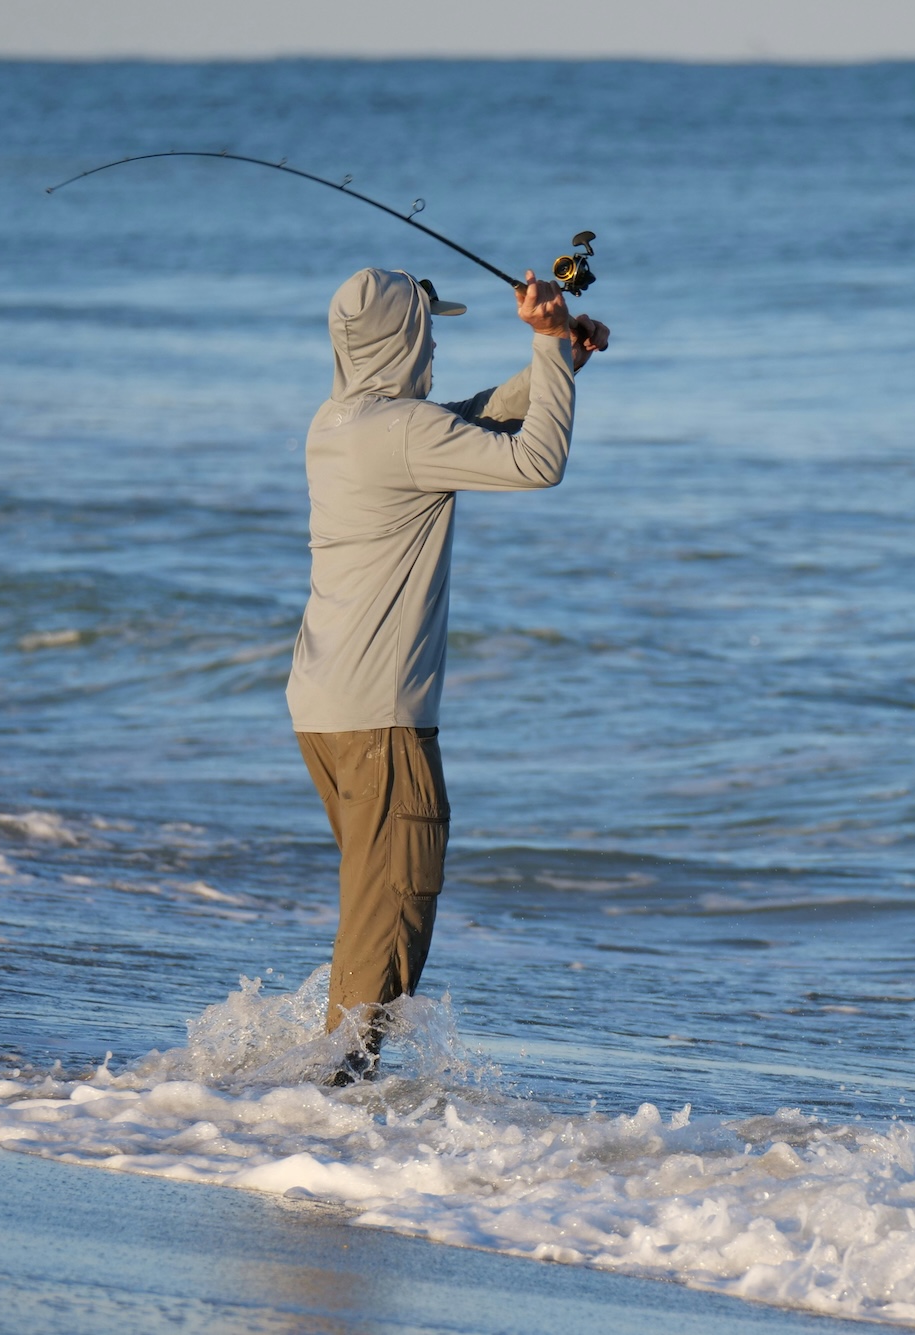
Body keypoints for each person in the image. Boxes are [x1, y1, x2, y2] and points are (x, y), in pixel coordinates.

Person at [285, 266, 609, 1083]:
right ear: (406, 337)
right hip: (381, 722)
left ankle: (316, 1099)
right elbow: (536, 463)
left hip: (326, 713)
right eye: (430, 330)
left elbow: (463, 422)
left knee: (371, 919)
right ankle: (321, 1115)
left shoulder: (338, 423)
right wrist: (543, 341)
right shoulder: (403, 434)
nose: (435, 346)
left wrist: (556, 362)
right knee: (389, 931)